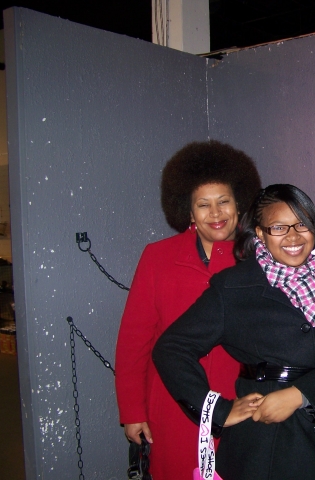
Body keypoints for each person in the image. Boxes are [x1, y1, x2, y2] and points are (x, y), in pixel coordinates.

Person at [153, 184, 315, 480]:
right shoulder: (233, 287)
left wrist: (300, 394)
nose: (293, 236)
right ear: (260, 234)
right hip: (263, 440)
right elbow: (172, 348)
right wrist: (218, 411)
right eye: (278, 227)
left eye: (303, 225)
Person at [114, 140, 261, 480]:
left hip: (241, 403)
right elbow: (134, 341)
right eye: (203, 204)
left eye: (224, 201)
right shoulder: (157, 258)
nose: (216, 213)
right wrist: (133, 411)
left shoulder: (260, 258)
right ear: (188, 211)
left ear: (239, 203)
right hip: (173, 404)